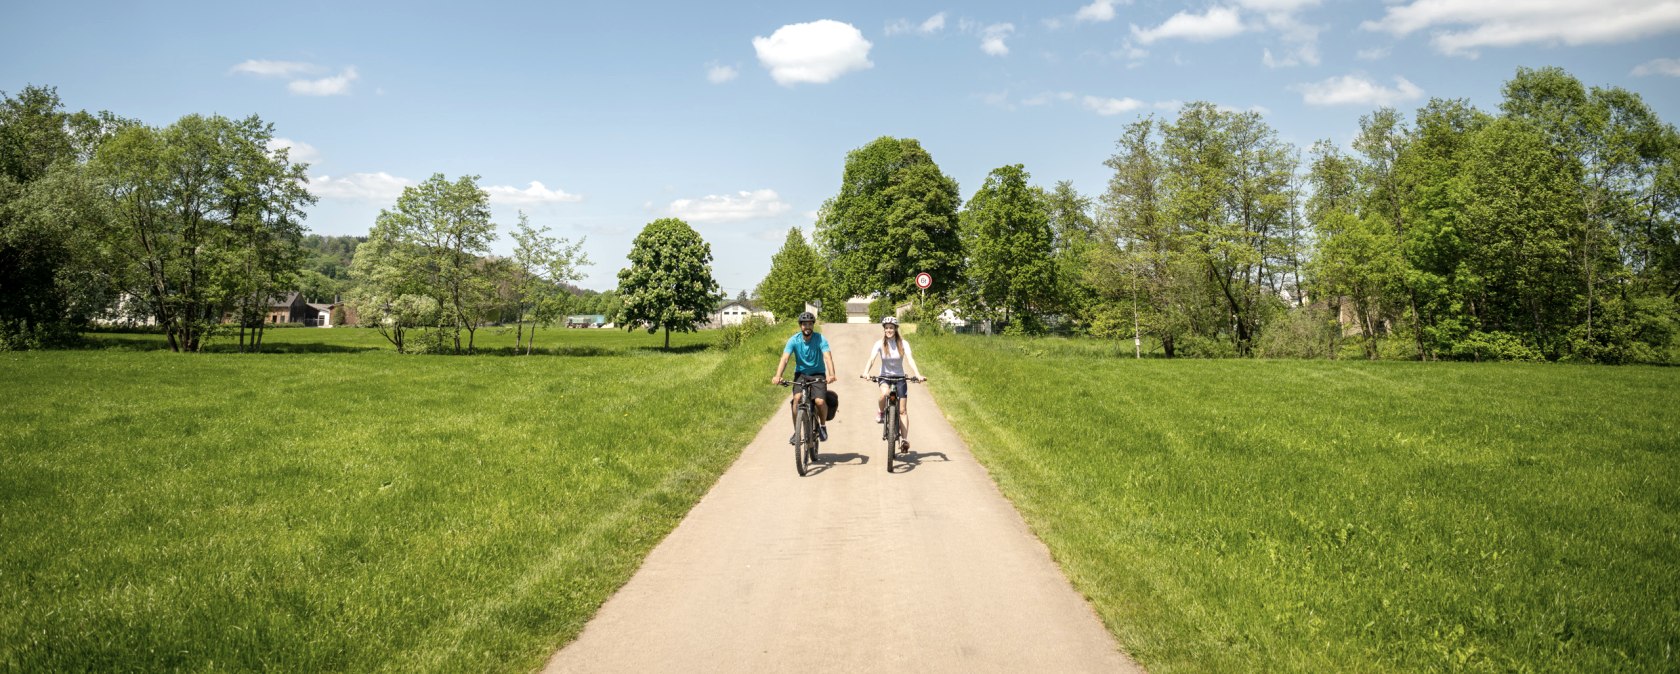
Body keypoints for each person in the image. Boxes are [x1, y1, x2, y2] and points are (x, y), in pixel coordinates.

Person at [858, 315, 925, 453]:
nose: (889, 330)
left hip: (900, 378)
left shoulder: (903, 343)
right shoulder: (879, 343)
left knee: (902, 410)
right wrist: (866, 372)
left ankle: (905, 440)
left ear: (896, 329)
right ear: (884, 329)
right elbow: (871, 359)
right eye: (887, 328)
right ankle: (881, 412)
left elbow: (910, 359)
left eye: (891, 328)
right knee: (884, 394)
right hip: (884, 377)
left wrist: (917, 374)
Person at [771, 311, 836, 444]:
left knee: (819, 402)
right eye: (804, 324)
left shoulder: (820, 339)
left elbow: (828, 357)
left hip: (818, 374)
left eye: (810, 324)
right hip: (801, 374)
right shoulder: (793, 340)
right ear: (801, 326)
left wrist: (831, 374)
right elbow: (785, 359)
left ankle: (822, 426)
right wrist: (778, 376)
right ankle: (797, 432)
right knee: (797, 398)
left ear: (813, 325)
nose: (807, 327)